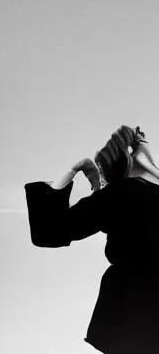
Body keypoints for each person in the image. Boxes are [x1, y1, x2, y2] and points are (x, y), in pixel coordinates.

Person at [25, 125, 159, 354]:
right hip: (134, 307)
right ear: (130, 150)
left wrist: (85, 178)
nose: (146, 144)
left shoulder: (120, 194)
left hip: (133, 307)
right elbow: (52, 231)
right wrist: (78, 171)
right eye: (140, 140)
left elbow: (49, 232)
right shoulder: (122, 194)